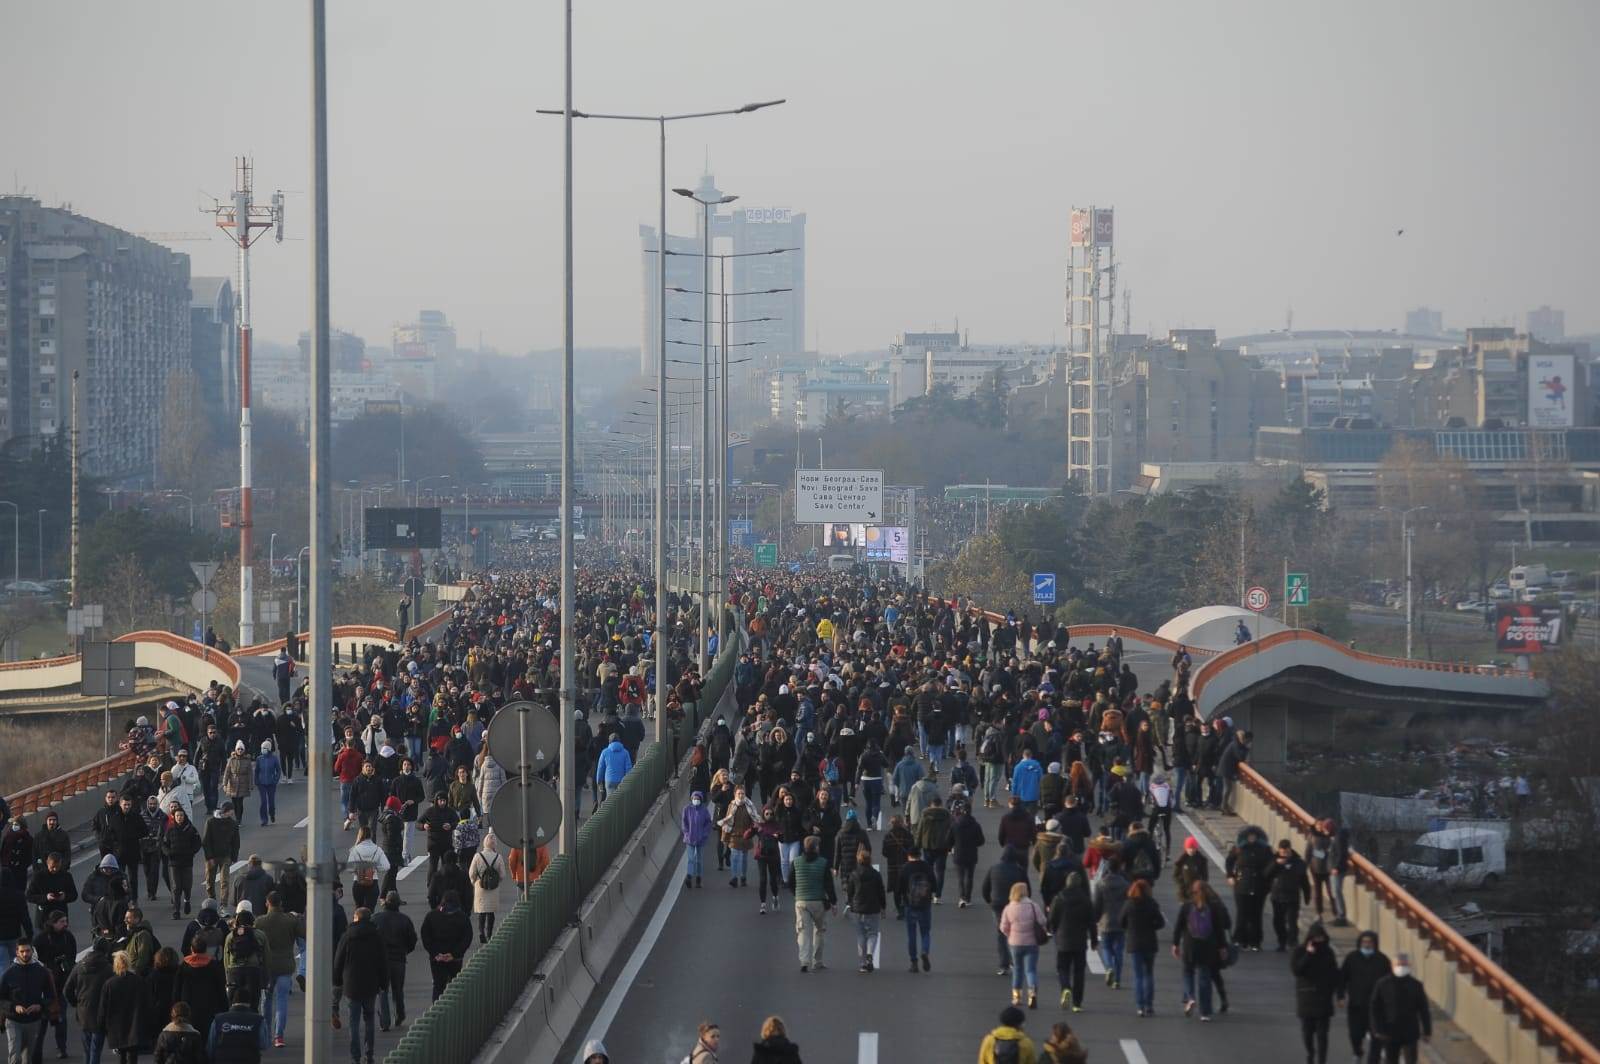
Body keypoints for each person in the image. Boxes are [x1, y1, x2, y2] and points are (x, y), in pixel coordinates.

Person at [332, 906, 387, 1064]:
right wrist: (383, 983)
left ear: (356, 918)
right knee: (369, 1020)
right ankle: (369, 1055)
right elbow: (383, 962)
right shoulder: (376, 936)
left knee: (353, 1022)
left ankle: (355, 1056)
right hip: (371, 984)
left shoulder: (347, 936)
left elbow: (338, 961)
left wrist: (337, 981)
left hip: (351, 984)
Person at [1, 938, 59, 1064]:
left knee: (29, 1059)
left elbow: (51, 996)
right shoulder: (9, 973)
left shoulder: (41, 971)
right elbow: (1, 999)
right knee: (15, 1057)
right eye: (22, 951)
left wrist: (40, 1005)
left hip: (34, 1020)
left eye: (27, 951)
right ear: (17, 952)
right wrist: (13, 1007)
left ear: (32, 951)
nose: (25, 954)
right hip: (14, 1020)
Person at [253, 894, 299, 1049]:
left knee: (266, 1001)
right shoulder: (290, 920)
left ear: (267, 903)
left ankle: (265, 1034)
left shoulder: (260, 922)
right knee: (282, 1001)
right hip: (285, 966)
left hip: (267, 967)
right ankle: (279, 1036)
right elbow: (304, 933)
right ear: (281, 903)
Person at [1339, 930, 1390, 1064]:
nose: (1367, 945)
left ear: (1375, 944)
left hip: (1377, 1008)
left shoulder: (1382, 960)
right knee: (1355, 1034)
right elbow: (1342, 978)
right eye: (1364, 942)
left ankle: (1373, 1060)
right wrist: (1340, 996)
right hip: (1356, 1005)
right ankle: (1357, 1051)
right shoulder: (1352, 958)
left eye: (1370, 942)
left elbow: (1389, 983)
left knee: (1376, 1037)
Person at [1368, 953, 1430, 1064]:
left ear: (1409, 966)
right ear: (1392, 966)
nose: (1401, 967)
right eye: (1398, 964)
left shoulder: (1416, 985)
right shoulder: (1382, 984)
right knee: (1391, 1060)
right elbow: (1374, 1008)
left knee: (1411, 1060)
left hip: (1410, 1032)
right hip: (1389, 1031)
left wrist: (1427, 1031)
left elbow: (1423, 1009)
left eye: (1404, 964)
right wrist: (1377, 1028)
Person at [786, 836, 834, 973]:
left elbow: (790, 882)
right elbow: (828, 884)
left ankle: (804, 961)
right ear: (816, 848)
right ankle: (817, 961)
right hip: (818, 901)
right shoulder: (823, 863)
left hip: (801, 901)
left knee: (802, 931)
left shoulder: (796, 862)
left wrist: (797, 894)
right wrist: (833, 902)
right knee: (819, 931)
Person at [1292, 922, 1339, 1064]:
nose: (1319, 941)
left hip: (1324, 998)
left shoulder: (1328, 952)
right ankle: (1310, 1053)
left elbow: (1334, 973)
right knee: (1307, 1033)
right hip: (1306, 998)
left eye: (1321, 938)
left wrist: (1337, 992)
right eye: (1316, 938)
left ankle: (1322, 1060)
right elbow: (1297, 970)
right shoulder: (1300, 951)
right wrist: (1308, 954)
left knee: (1322, 1035)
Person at [172, 937, 227, 1053]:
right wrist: (224, 1008)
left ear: (191, 949)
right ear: (205, 949)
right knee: (208, 1040)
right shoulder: (213, 965)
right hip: (209, 1007)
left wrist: (175, 1008)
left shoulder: (184, 965)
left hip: (188, 1008)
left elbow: (176, 990)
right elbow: (221, 988)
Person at [999, 881, 1049, 1009]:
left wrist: (1010, 935)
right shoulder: (1033, 906)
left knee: (1017, 970)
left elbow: (1003, 927)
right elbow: (1043, 921)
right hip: (1031, 943)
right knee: (1031, 970)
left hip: (1015, 943)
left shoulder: (1009, 908)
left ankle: (1017, 997)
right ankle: (1032, 993)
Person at [1120, 877, 1166, 1017]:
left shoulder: (1129, 904)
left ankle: (1140, 1006)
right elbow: (1161, 923)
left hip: (1134, 943)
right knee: (1149, 974)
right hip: (1150, 942)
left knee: (1138, 975)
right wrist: (1152, 926)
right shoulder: (1152, 904)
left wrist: (1129, 928)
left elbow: (1121, 921)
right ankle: (1149, 1005)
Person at [98, 951, 153, 1064]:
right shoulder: (139, 981)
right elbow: (147, 1004)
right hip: (135, 1025)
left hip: (116, 1027)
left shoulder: (109, 984)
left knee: (121, 1056)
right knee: (132, 1056)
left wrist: (101, 1026)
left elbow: (103, 1008)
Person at [64, 940, 114, 1064]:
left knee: (87, 1048)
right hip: (100, 1012)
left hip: (83, 1011)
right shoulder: (108, 968)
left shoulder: (80, 966)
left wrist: (75, 1002)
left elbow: (67, 990)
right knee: (96, 1049)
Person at [983, 845, 1030, 977]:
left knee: (1001, 933)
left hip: (997, 905)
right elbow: (1027, 890)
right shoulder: (1019, 871)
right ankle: (1015, 962)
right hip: (1015, 904)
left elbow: (985, 888)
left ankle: (1004, 964)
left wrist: (989, 901)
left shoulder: (994, 868)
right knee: (1015, 933)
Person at [372, 892, 416, 1031]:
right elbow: (412, 940)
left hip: (380, 960)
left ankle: (384, 1022)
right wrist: (404, 951)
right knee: (398, 989)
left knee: (382, 991)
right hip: (398, 959)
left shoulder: (375, 918)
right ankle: (400, 1014)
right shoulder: (404, 920)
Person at [418, 890, 472, 1001]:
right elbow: (467, 938)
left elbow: (425, 937)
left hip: (437, 958)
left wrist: (435, 953)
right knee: (455, 985)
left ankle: (436, 1013)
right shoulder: (462, 917)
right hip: (455, 958)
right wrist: (455, 954)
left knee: (438, 986)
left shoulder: (431, 916)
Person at [842, 847, 885, 974]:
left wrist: (850, 903)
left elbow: (850, 891)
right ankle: (870, 954)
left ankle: (862, 963)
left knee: (860, 935)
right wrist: (883, 907)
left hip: (858, 908)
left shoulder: (854, 874)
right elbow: (880, 892)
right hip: (873, 907)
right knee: (872, 933)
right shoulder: (875, 874)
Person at [1266, 838, 1312, 951]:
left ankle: (1292, 941)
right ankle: (1282, 941)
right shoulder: (1274, 859)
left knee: (1292, 921)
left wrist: (1307, 896)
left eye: (1286, 852)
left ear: (1290, 850)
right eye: (1282, 852)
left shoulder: (1298, 862)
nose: (1284, 854)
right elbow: (1266, 874)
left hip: (1292, 896)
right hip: (1277, 896)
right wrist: (1276, 864)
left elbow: (1304, 881)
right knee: (1278, 921)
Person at [1092, 857, 1129, 990]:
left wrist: (1095, 920)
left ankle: (1109, 967)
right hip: (1120, 921)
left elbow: (1097, 905)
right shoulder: (1125, 884)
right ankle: (1117, 980)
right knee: (1119, 951)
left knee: (1106, 948)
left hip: (1105, 921)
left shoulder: (1101, 884)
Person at [204, 988, 268, 1064]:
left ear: (232, 1002)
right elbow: (263, 1044)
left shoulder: (218, 1019)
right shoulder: (259, 1020)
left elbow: (211, 1046)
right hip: (249, 1059)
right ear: (249, 1003)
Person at [899, 847, 936, 973]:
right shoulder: (926, 867)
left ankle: (914, 962)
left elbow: (900, 887)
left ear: (909, 855)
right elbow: (934, 884)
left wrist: (903, 900)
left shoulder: (905, 868)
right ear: (920, 855)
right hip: (925, 904)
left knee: (911, 934)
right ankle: (925, 950)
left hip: (910, 904)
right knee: (925, 932)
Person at [467, 834, 504, 943]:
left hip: (480, 885)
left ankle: (481, 932)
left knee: (482, 912)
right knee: (491, 912)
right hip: (493, 887)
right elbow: (502, 875)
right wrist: (496, 881)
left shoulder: (478, 856)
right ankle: (489, 933)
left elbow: (471, 872)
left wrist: (474, 882)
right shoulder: (498, 857)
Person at [201, 804, 239, 908]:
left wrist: (234, 857)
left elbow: (236, 842)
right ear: (225, 811)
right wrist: (209, 857)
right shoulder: (211, 822)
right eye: (231, 811)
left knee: (225, 881)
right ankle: (212, 901)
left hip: (226, 856)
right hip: (212, 857)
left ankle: (223, 905)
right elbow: (206, 841)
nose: (232, 813)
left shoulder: (233, 824)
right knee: (210, 882)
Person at [680, 792, 713, 890]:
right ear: (691, 799)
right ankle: (689, 877)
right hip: (689, 839)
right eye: (694, 798)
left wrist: (704, 834)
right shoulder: (687, 809)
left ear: (701, 800)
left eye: (698, 799)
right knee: (691, 859)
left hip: (701, 839)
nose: (696, 800)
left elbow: (708, 823)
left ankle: (698, 879)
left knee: (699, 860)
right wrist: (686, 833)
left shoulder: (704, 810)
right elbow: (684, 823)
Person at [593, 733, 633, 804]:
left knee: (611, 802)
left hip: (609, 780)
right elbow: (628, 768)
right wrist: (629, 781)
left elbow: (600, 768)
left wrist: (599, 782)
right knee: (621, 802)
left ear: (609, 741)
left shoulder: (605, 752)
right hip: (622, 781)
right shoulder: (625, 752)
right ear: (619, 741)